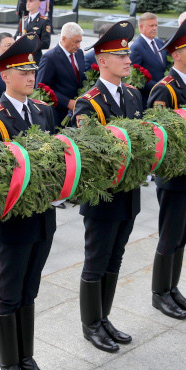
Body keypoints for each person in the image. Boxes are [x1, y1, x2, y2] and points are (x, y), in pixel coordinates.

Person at [0, 35, 60, 370]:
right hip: (13, 224)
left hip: (43, 219)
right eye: (24, 70)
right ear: (5, 74)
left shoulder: (43, 111)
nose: (31, 75)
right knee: (8, 295)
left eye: (33, 69)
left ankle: (28, 361)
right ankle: (10, 368)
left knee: (29, 292)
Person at [73, 21, 143, 353]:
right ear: (101, 61)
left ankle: (105, 317)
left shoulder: (133, 94)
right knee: (97, 259)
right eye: (119, 54)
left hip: (129, 195)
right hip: (103, 198)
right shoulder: (89, 103)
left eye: (128, 53)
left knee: (116, 257)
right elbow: (94, 153)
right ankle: (90, 324)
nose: (128, 59)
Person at [148, 16, 186, 321]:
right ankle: (160, 293)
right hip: (175, 175)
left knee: (184, 233)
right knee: (170, 235)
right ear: (176, 55)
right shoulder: (165, 89)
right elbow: (161, 137)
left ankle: (173, 288)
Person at [36, 21, 86, 125]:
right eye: (75, 42)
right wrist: (67, 102)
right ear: (64, 39)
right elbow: (41, 88)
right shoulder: (50, 58)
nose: (78, 45)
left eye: (80, 41)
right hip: (58, 115)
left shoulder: (79, 54)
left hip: (78, 112)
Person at [129, 12, 168, 107]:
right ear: (141, 27)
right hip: (147, 98)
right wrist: (157, 87)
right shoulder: (137, 48)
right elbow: (134, 76)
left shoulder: (159, 43)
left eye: (156, 25)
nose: (155, 28)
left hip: (163, 94)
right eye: (151, 26)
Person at [15, 0, 51, 64]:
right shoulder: (23, 20)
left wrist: (30, 45)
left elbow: (46, 43)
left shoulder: (44, 21)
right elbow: (16, 37)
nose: (27, 3)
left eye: (31, 1)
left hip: (34, 60)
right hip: (21, 58)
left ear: (38, 3)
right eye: (27, 1)